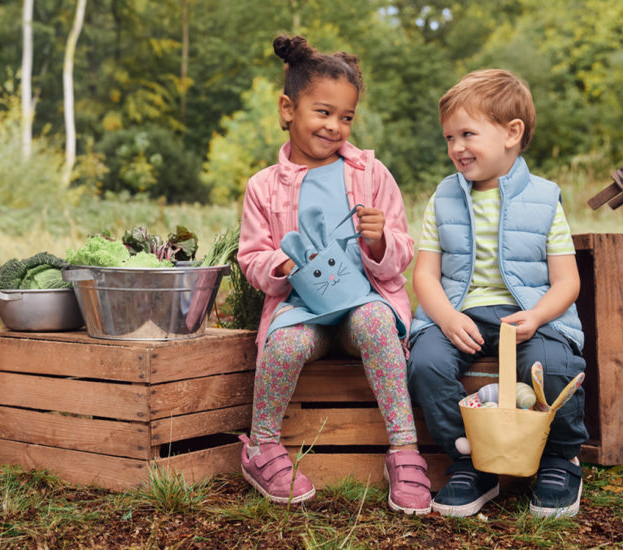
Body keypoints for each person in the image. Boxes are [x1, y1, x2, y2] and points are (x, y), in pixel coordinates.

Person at [237, 35, 430, 514]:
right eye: (323, 112)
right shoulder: (263, 186)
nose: (335, 126)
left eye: (346, 117)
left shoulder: (371, 174)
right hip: (302, 309)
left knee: (376, 323)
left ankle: (405, 449)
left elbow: (403, 252)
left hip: (362, 302)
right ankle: (262, 446)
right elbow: (252, 256)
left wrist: (379, 240)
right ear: (288, 109)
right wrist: (281, 265)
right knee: (285, 345)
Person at [407, 69, 587, 519]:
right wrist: (446, 318)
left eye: (467, 134)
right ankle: (469, 462)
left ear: (512, 133)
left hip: (530, 315)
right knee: (426, 364)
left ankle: (561, 458)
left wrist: (538, 317)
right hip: (459, 314)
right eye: (449, 137)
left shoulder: (544, 198)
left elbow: (567, 281)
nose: (456, 147)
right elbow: (425, 275)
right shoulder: (443, 197)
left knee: (551, 365)